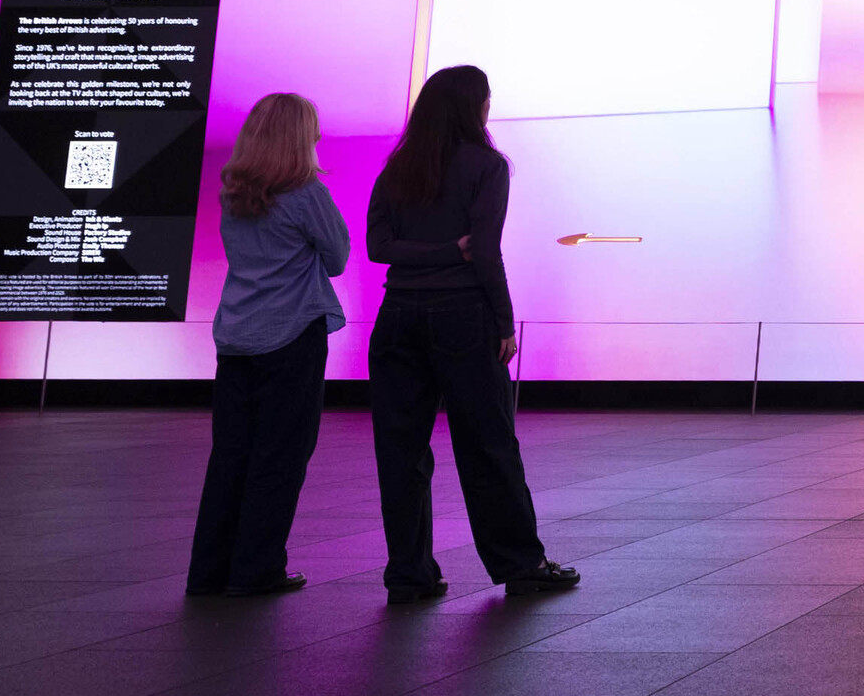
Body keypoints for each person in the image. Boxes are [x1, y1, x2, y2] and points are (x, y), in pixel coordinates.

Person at [365, 66, 579, 601]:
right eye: (486, 100)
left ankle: (409, 574)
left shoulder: (397, 168)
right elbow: (484, 251)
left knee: (400, 449)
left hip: (397, 316)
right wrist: (503, 321)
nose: (489, 108)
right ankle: (521, 565)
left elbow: (378, 247)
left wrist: (430, 253)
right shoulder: (488, 165)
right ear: (473, 107)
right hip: (463, 315)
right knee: (488, 443)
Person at [186, 93, 345, 599]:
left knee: (230, 455)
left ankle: (209, 572)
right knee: (281, 455)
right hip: (291, 336)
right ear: (300, 137)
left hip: (236, 336)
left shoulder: (233, 194)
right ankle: (256, 569)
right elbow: (338, 257)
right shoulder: (307, 194)